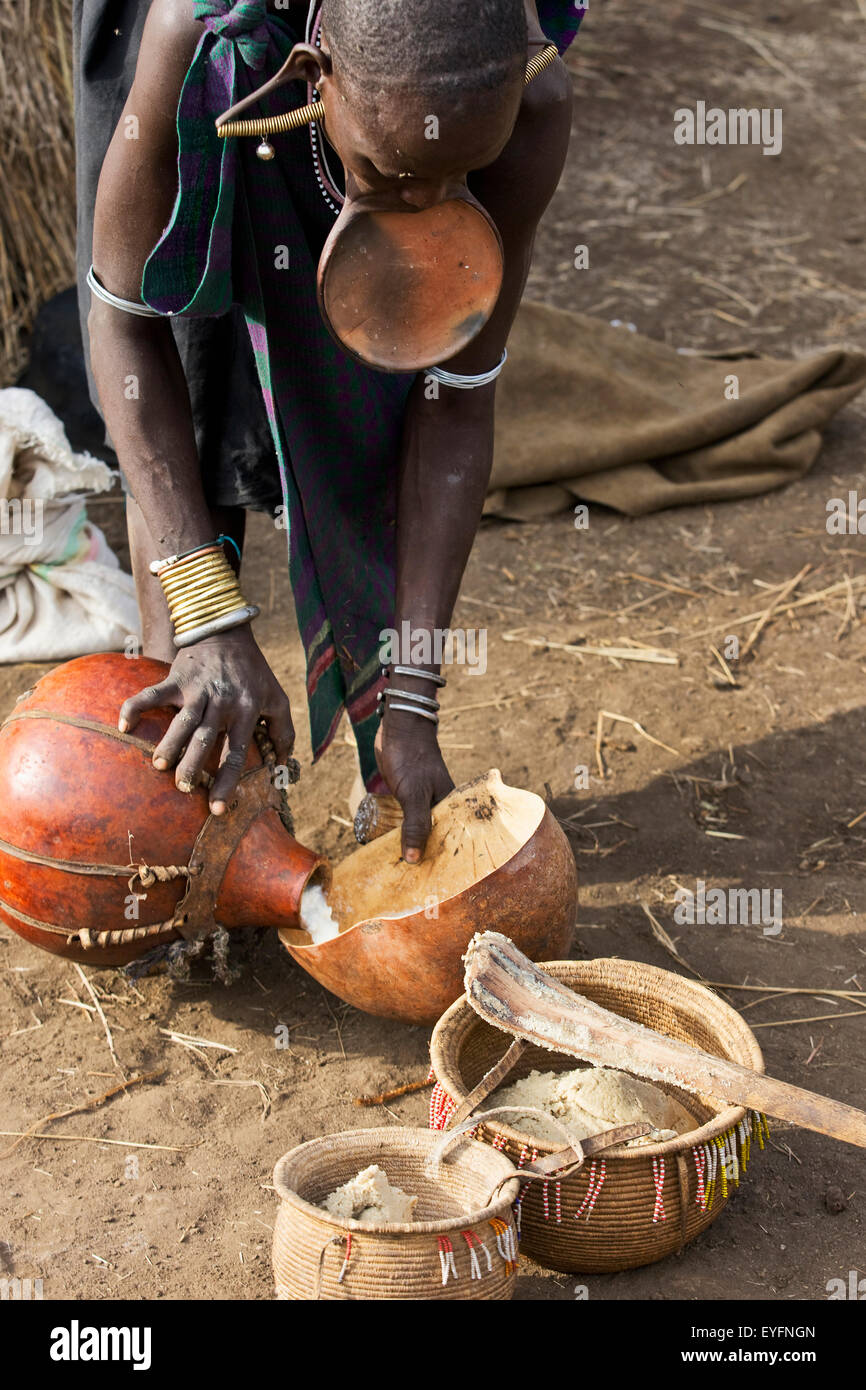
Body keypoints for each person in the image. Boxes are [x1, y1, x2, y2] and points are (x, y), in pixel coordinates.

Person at [79, 0, 584, 862]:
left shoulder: (526, 98)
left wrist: (415, 698)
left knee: (393, 341)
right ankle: (191, 698)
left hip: (403, 86)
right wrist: (208, 620)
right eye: (393, 176)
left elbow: (455, 396)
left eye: (461, 173)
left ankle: (378, 730)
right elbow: (125, 324)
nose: (425, 207)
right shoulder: (196, 42)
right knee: (195, 364)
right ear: (313, 79)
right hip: (220, 64)